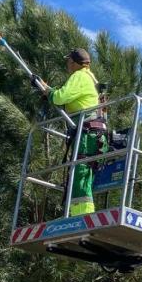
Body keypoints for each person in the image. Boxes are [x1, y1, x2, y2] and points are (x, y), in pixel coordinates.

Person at [33, 48, 104, 216]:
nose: (67, 64)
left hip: (87, 132)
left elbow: (60, 97)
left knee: (81, 174)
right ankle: (78, 215)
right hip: (92, 132)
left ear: (73, 63)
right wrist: (46, 88)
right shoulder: (89, 77)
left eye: (68, 61)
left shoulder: (79, 76)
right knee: (82, 174)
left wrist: (49, 93)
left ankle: (83, 218)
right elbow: (67, 96)